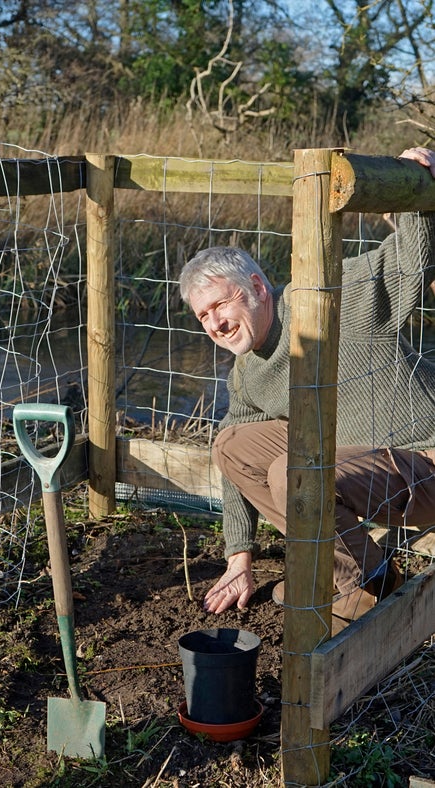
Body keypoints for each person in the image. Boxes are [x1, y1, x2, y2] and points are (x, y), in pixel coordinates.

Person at [178, 147, 435, 630]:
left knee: (290, 470)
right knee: (232, 444)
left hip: (424, 460)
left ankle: (373, 585)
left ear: (256, 287)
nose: (213, 324)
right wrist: (239, 555)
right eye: (203, 316)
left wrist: (413, 186)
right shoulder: (248, 368)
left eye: (219, 305)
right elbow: (234, 465)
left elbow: (412, 263)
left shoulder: (333, 295)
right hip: (361, 465)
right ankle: (351, 572)